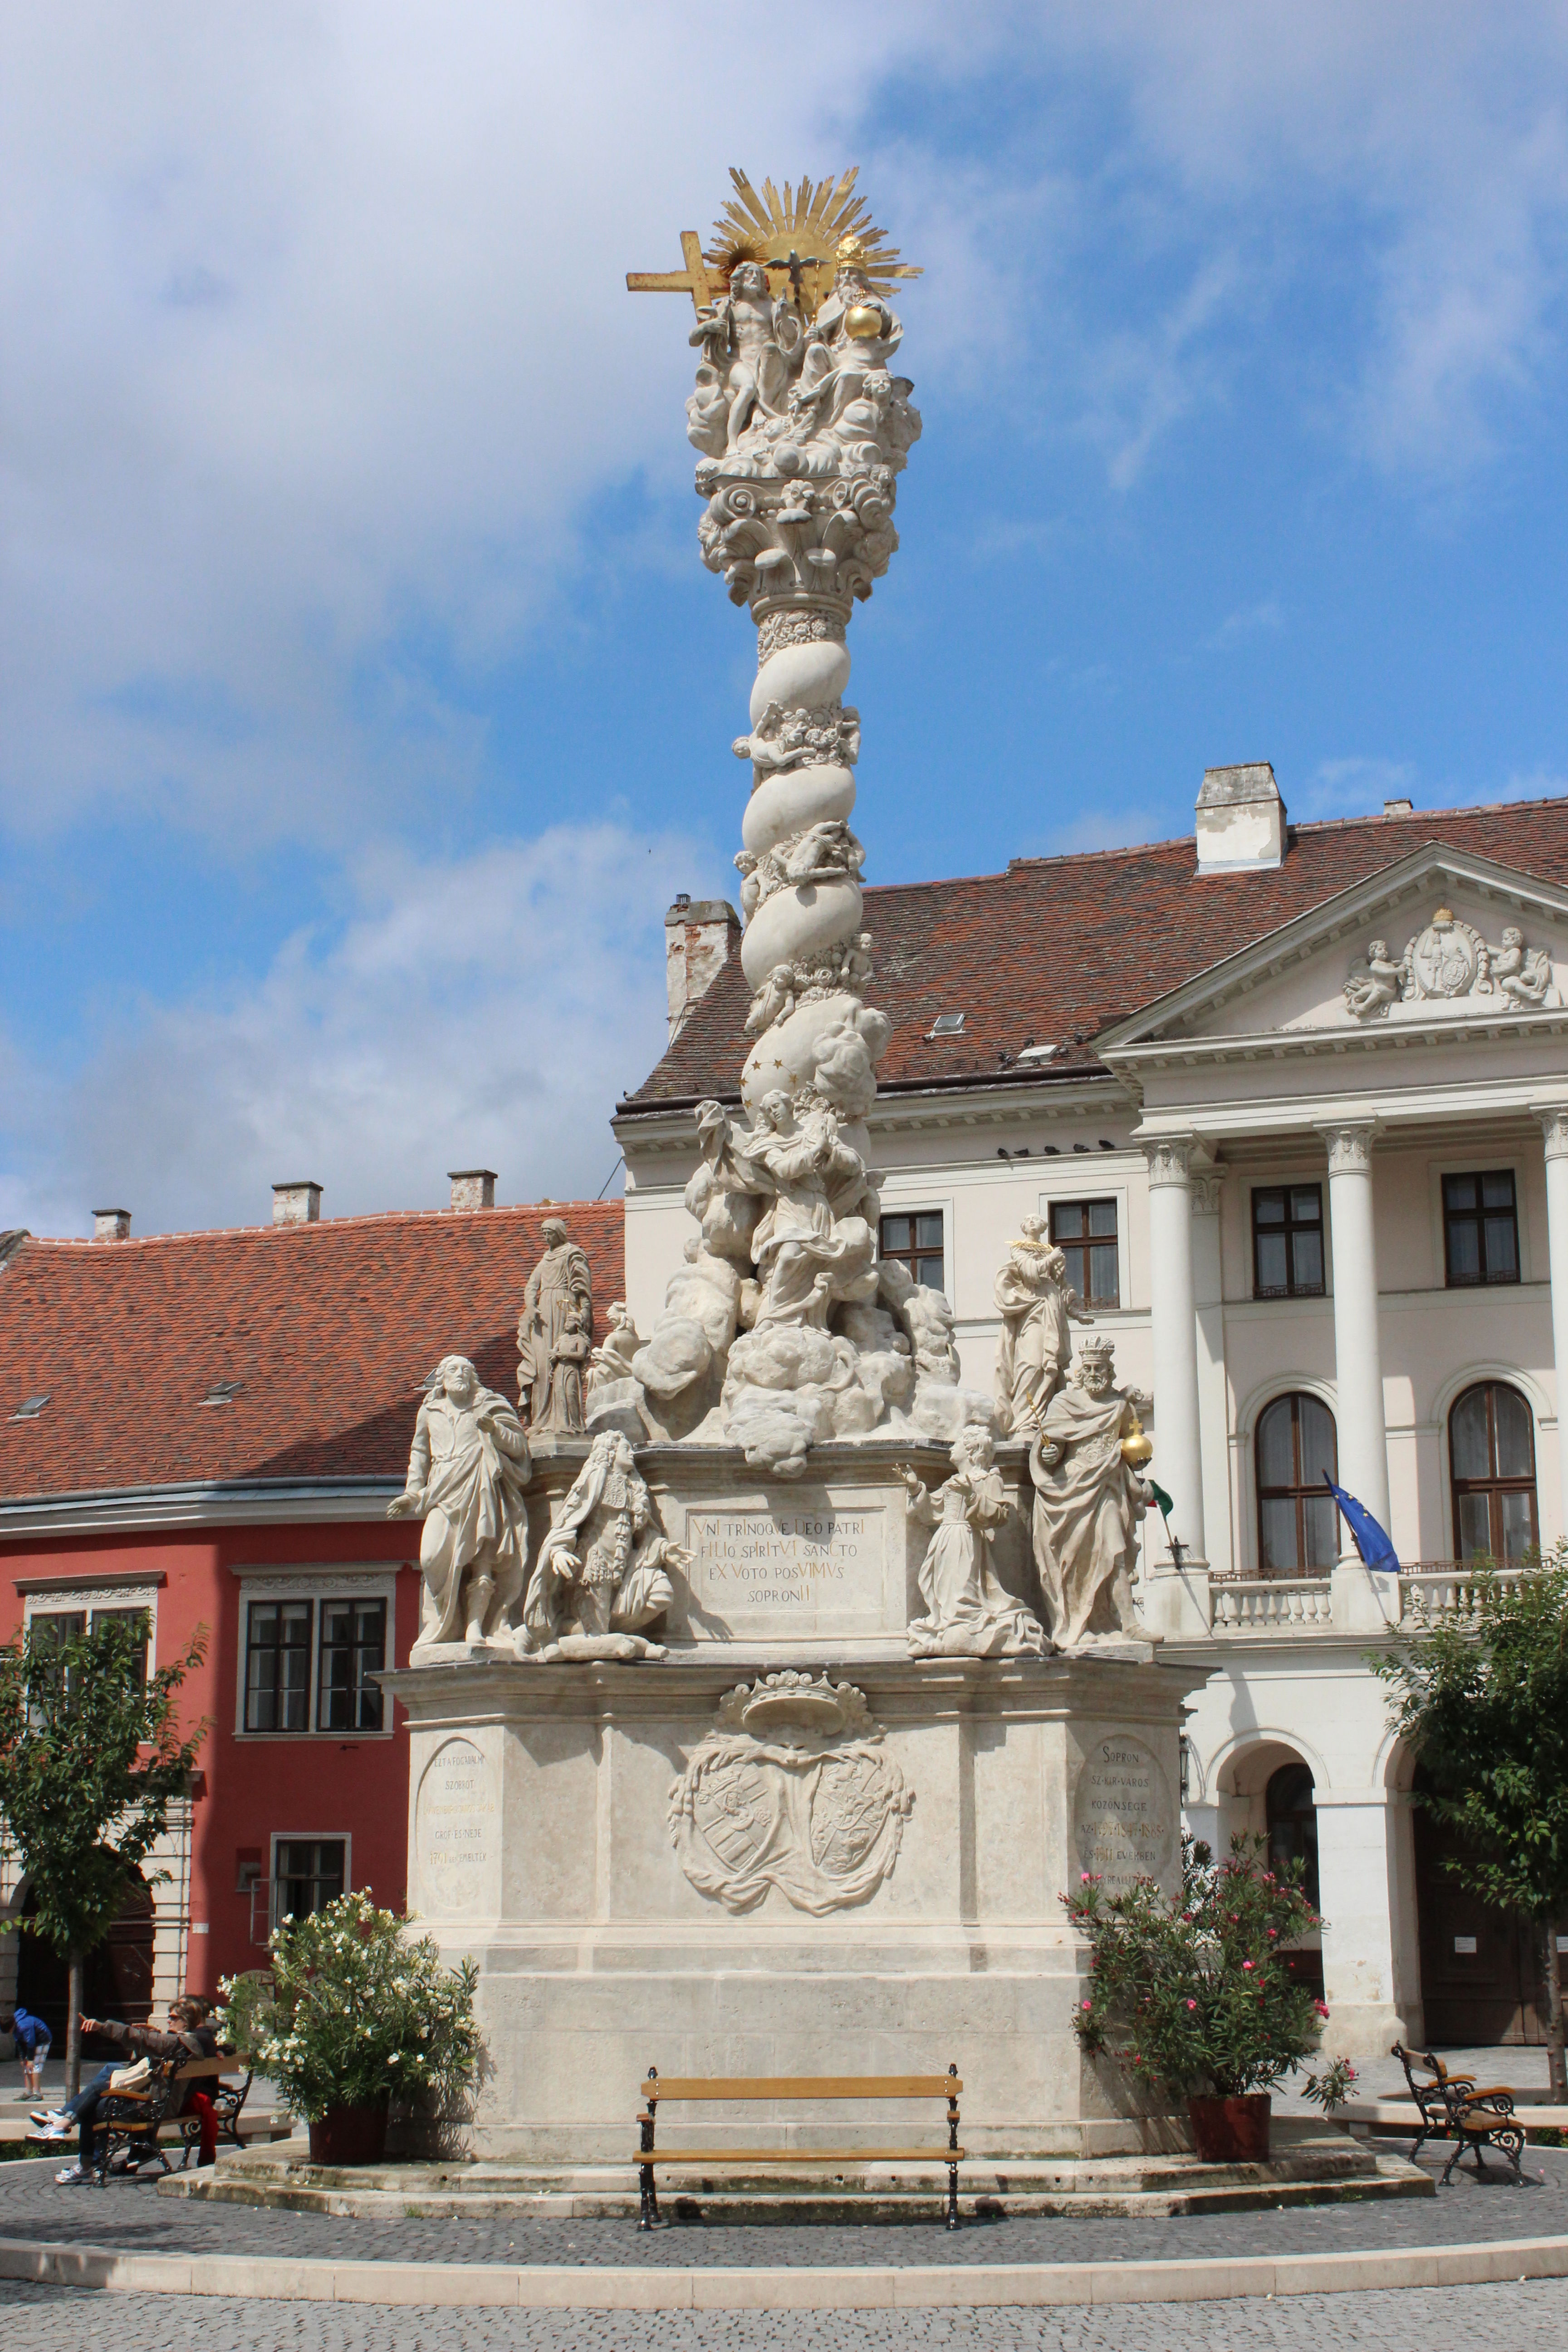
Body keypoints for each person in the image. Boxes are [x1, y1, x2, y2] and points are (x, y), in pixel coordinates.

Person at [389, 1353, 532, 1646]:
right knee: (431, 1556)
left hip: (479, 1483)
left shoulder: (489, 1405)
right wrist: (412, 1493)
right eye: (453, 1370)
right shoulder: (430, 1410)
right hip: (441, 1490)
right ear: (441, 1377)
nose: (461, 1375)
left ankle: (475, 1627)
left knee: (482, 1557)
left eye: (466, 1370)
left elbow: (519, 1447)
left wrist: (495, 1431)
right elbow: (419, 1454)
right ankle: (444, 1621)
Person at [37, 1997, 217, 2183]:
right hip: (160, 2103)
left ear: (185, 2022)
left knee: (94, 2105)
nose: (168, 2020)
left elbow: (140, 2038)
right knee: (99, 2094)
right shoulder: (186, 2044)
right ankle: (71, 2135)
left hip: (153, 2107)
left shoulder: (177, 2043)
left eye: (172, 2017)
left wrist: (103, 2027)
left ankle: (75, 2147)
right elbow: (143, 2056)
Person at [5, 2003, 52, 2101]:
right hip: (32, 2042)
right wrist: (23, 2058)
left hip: (42, 2040)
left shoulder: (23, 2026)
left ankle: (37, 2093)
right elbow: (19, 2043)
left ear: (11, 2027)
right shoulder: (15, 2028)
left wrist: (30, 2060)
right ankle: (29, 2092)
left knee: (35, 2066)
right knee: (27, 2067)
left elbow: (31, 2042)